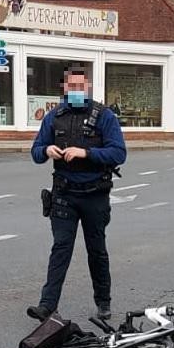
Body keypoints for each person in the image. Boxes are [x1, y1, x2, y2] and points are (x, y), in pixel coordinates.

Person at [28, 66, 126, 322]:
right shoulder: (54, 116)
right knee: (61, 248)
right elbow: (35, 151)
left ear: (88, 88)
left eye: (80, 87)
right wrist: (46, 150)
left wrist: (86, 153)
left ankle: (103, 302)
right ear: (64, 89)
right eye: (71, 87)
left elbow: (119, 153)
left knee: (97, 250)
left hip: (94, 194)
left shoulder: (104, 116)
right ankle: (47, 305)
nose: (76, 92)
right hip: (64, 194)